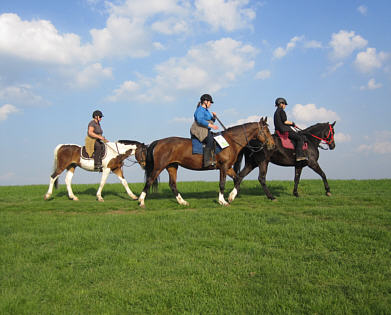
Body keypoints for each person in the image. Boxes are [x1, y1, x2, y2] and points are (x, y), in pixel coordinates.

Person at [190, 94, 219, 167]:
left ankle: (213, 157)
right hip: (199, 129)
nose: (210, 104)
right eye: (210, 102)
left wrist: (214, 118)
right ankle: (206, 161)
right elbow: (200, 120)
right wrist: (211, 126)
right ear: (205, 102)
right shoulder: (200, 109)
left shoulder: (206, 111)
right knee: (210, 140)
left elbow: (210, 121)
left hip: (205, 129)